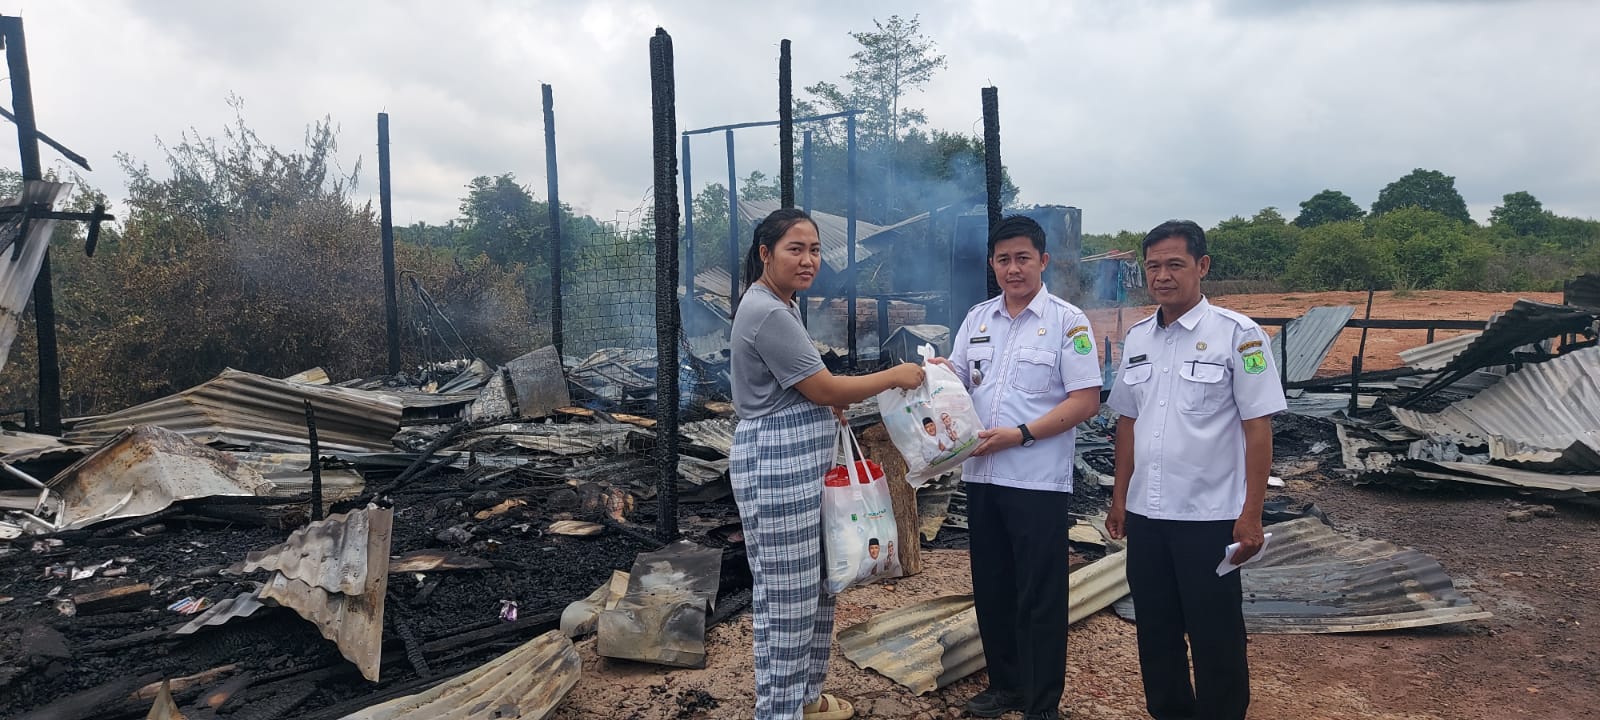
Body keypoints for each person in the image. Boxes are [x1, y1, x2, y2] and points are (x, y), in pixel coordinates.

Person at [730, 207, 925, 720]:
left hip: (801, 460)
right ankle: (779, 711)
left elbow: (802, 391)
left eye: (815, 250)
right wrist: (894, 374)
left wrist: (820, 402)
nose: (809, 259)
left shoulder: (783, 304)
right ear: (765, 253)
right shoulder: (768, 311)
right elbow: (823, 386)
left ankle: (807, 697)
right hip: (778, 464)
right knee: (786, 598)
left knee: (819, 583)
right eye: (796, 249)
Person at [1105, 220, 1286, 720]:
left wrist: (1252, 514)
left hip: (1209, 516)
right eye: (1154, 266)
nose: (1162, 276)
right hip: (1146, 514)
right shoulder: (1140, 338)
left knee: (1215, 634)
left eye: (1175, 265)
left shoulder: (1238, 336)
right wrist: (1119, 498)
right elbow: (1127, 422)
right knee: (1156, 631)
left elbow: (1258, 428)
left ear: (1202, 267)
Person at [936, 215, 1103, 720]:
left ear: (1043, 261)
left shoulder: (1068, 322)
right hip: (982, 477)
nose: (1013, 269)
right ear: (993, 264)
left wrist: (1022, 434)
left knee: (1040, 595)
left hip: (1036, 480)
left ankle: (1041, 702)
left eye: (1023, 258)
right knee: (992, 588)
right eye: (1004, 260)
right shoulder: (978, 319)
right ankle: (1005, 687)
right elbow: (957, 378)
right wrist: (932, 375)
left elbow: (1086, 400)